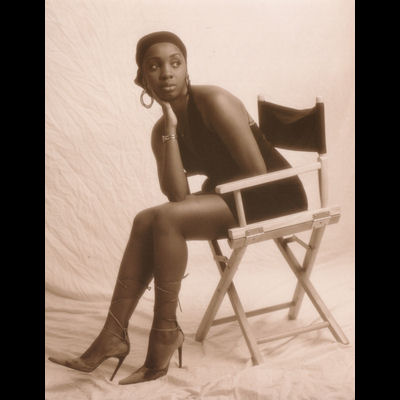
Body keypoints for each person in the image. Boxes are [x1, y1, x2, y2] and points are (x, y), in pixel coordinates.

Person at [48, 31, 308, 385]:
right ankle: (112, 334)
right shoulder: (161, 130)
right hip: (232, 196)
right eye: (154, 67)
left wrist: (209, 193)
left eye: (175, 63)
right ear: (142, 78)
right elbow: (177, 194)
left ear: (187, 68)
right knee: (146, 219)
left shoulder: (214, 101)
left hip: (272, 194)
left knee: (167, 220)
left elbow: (257, 173)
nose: (167, 73)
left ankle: (165, 334)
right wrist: (170, 127)